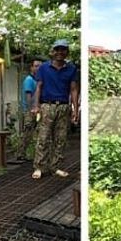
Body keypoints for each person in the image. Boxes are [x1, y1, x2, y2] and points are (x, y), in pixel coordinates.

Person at [31, 39, 79, 179]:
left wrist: (75, 110)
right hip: (47, 105)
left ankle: (55, 166)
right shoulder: (44, 68)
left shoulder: (71, 69)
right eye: (57, 49)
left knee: (60, 138)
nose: (60, 52)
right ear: (53, 52)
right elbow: (39, 87)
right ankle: (39, 167)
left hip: (63, 106)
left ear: (67, 52)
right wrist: (36, 105)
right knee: (43, 137)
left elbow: (74, 90)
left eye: (63, 49)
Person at [17, 57, 42, 160]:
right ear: (31, 67)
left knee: (33, 133)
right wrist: (31, 110)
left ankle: (26, 153)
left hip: (35, 109)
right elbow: (28, 97)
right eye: (36, 66)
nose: (38, 68)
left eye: (40, 66)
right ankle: (20, 154)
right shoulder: (29, 80)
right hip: (30, 110)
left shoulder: (37, 80)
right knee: (27, 132)